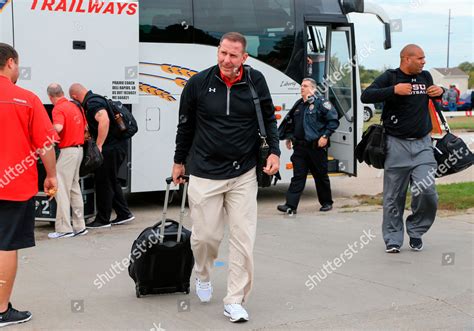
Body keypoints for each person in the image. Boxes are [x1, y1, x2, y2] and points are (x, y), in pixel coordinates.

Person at [172, 32, 280, 323]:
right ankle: (203, 273)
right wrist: (178, 161)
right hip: (205, 172)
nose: (226, 60)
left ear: (244, 58)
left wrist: (275, 152)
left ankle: (234, 299)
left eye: (233, 55)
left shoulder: (255, 81)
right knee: (205, 237)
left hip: (243, 172)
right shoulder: (198, 84)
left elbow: (269, 118)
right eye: (222, 53)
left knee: (243, 240)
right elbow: (185, 126)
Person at [361, 44, 444, 253]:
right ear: (406, 59)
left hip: (423, 144)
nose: (424, 62)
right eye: (420, 58)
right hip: (395, 144)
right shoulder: (390, 77)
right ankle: (393, 238)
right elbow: (366, 96)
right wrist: (393, 91)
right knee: (393, 197)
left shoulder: (425, 77)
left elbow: (437, 104)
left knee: (428, 192)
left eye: (424, 58)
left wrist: (439, 92)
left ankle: (415, 231)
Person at [0, 43, 58, 327]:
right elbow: (45, 143)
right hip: (12, 186)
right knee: (6, 245)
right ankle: (1, 310)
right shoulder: (26, 99)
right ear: (10, 63)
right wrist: (51, 175)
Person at [69, 84, 134, 229]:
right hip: (117, 146)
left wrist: (98, 145)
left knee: (103, 182)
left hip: (110, 149)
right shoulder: (96, 99)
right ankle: (124, 213)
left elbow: (104, 120)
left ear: (74, 97)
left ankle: (103, 219)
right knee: (111, 180)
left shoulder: (92, 103)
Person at [277, 78, 339, 214]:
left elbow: (333, 121)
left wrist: (325, 136)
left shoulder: (322, 103)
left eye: (305, 86)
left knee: (320, 176)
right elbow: (292, 124)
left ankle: (327, 202)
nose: (302, 88)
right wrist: (289, 137)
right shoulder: (299, 105)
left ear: (313, 88)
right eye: (301, 85)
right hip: (300, 148)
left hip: (316, 147)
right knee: (298, 176)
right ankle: (290, 206)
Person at [47, 83, 87, 239]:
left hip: (68, 151)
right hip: (79, 150)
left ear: (50, 97)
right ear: (62, 92)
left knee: (61, 188)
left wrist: (45, 134)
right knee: (74, 188)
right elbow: (85, 128)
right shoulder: (75, 106)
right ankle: (79, 226)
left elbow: (58, 127)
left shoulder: (58, 108)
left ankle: (64, 228)